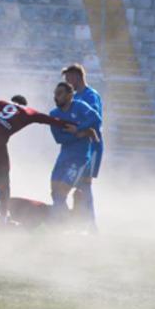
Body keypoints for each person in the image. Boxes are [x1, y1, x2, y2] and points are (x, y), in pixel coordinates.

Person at [0, 95, 70, 222]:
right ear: (24, 104)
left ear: (12, 101)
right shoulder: (28, 111)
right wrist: (71, 125)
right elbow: (49, 119)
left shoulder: (0, 102)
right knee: (4, 179)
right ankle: (3, 217)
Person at [49, 82, 102, 230]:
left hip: (79, 159)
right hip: (63, 158)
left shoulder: (80, 106)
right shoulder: (54, 115)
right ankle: (74, 224)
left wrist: (78, 129)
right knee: (55, 194)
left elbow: (96, 118)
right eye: (55, 94)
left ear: (70, 95)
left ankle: (63, 226)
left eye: (59, 93)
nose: (55, 97)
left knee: (62, 193)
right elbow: (59, 139)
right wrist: (81, 134)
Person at [62, 64, 103, 230]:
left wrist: (78, 130)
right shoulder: (75, 97)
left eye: (69, 78)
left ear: (77, 77)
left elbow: (95, 119)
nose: (67, 82)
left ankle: (91, 226)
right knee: (74, 184)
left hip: (91, 147)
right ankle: (80, 223)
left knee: (84, 185)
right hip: (76, 148)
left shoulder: (90, 95)